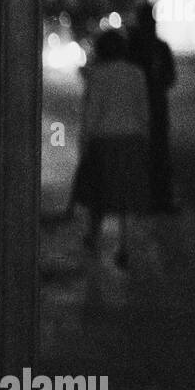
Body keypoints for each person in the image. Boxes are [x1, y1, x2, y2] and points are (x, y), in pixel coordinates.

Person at [72, 28, 149, 266]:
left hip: (104, 138)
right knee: (127, 194)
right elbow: (143, 109)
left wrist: (83, 141)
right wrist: (144, 137)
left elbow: (92, 111)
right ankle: (124, 245)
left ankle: (93, 236)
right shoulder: (136, 73)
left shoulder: (98, 74)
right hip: (132, 137)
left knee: (99, 192)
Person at [127, 2, 178, 212]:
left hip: (146, 108)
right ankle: (157, 199)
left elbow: (169, 77)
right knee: (156, 155)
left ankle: (150, 199)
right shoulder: (156, 47)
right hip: (152, 107)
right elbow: (170, 78)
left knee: (148, 154)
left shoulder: (136, 47)